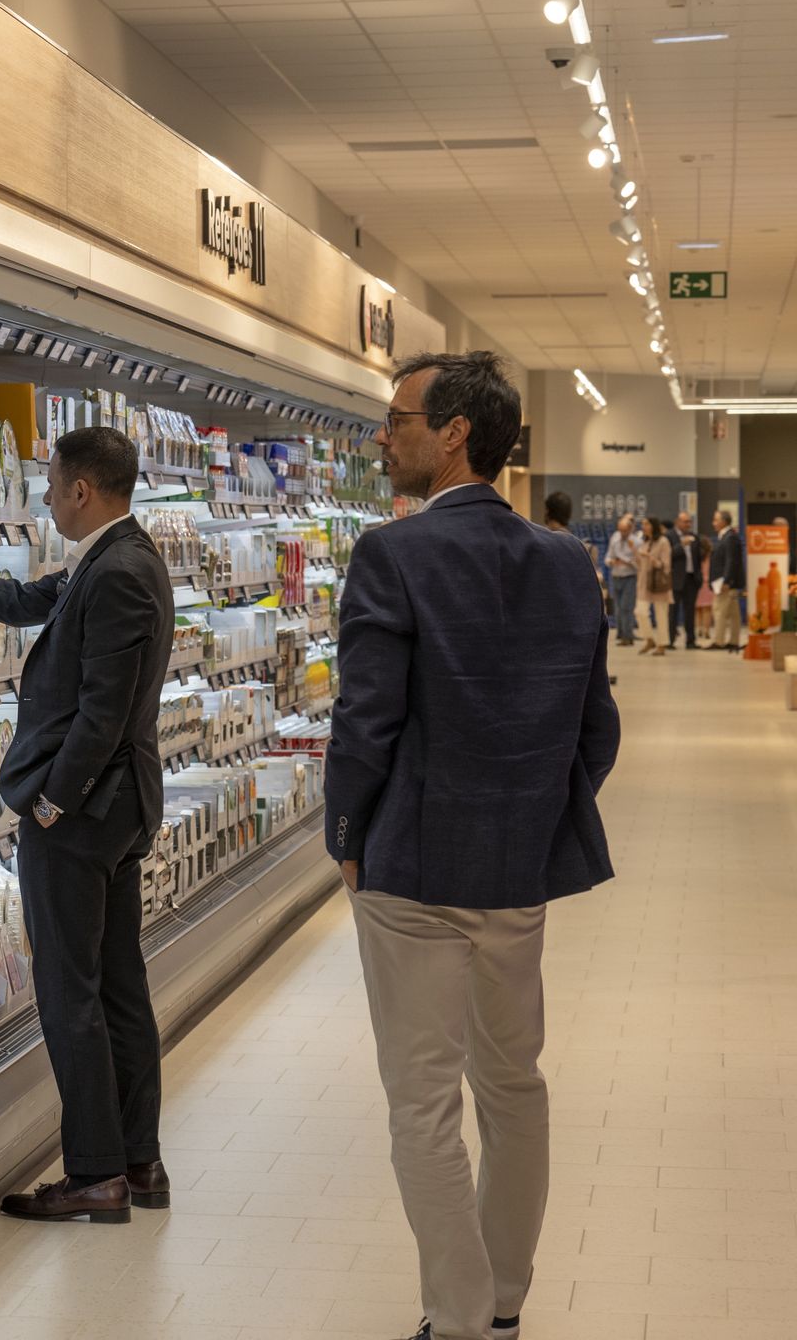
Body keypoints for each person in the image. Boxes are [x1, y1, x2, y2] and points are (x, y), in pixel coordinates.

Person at [326, 352, 619, 1340]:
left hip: (412, 866)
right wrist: (536, 814)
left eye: (399, 417)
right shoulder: (565, 564)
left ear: (455, 432)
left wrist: (345, 835)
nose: (384, 434)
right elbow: (597, 730)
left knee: (422, 1101)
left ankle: (454, 1318)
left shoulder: (391, 556)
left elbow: (365, 723)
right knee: (513, 1083)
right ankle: (503, 1304)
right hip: (515, 875)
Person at [0, 427, 173, 1224]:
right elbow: (25, 604)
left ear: (83, 490)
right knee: (119, 985)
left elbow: (103, 711)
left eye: (51, 486)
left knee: (69, 992)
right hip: (117, 808)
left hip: (85, 811)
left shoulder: (117, 570)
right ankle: (138, 1160)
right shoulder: (117, 558)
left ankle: (95, 1172)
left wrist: (53, 800)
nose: (46, 499)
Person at [669, 511, 707, 650]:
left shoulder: (694, 537)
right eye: (685, 522)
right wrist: (681, 545)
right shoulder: (670, 536)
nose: (688, 524)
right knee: (673, 612)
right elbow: (668, 555)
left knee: (690, 612)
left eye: (690, 522)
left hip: (692, 579)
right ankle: (670, 641)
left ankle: (690, 641)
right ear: (678, 522)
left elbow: (698, 557)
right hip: (676, 580)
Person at [709, 510, 745, 651]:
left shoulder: (730, 537)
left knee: (719, 610)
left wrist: (726, 580)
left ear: (724, 521)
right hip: (728, 582)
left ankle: (719, 641)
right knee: (733, 613)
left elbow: (731, 560)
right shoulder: (726, 536)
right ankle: (733, 641)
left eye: (716, 520)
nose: (714, 523)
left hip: (725, 583)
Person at [604, 513, 641, 646]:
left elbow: (639, 564)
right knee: (618, 607)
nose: (622, 533)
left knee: (627, 607)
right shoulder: (615, 537)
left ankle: (628, 636)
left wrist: (626, 560)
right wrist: (611, 561)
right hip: (616, 576)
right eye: (620, 530)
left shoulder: (636, 542)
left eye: (625, 530)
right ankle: (620, 633)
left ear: (630, 529)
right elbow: (608, 556)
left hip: (629, 577)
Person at [638, 518, 670, 656]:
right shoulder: (645, 542)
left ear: (654, 526)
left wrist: (649, 557)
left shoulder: (663, 542)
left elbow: (665, 565)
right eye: (643, 524)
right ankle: (649, 638)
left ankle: (662, 644)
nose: (643, 526)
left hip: (659, 583)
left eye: (646, 524)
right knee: (640, 612)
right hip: (644, 582)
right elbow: (640, 564)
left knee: (661, 614)